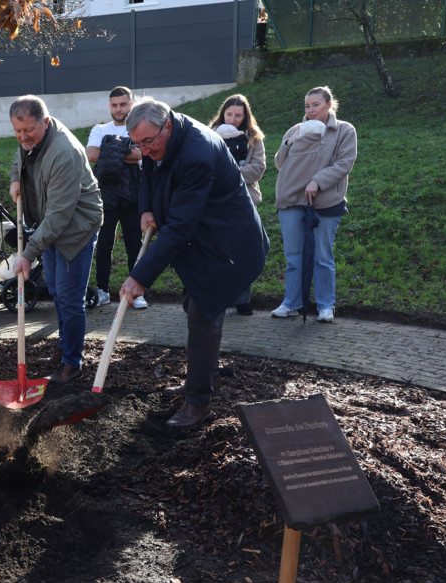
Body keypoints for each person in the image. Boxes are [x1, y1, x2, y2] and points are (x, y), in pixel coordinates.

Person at [120, 97, 269, 429]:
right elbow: (147, 173)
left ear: (168, 126)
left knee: (203, 314)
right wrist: (146, 207)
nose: (143, 150)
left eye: (148, 141)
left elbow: (180, 228)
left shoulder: (197, 154)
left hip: (227, 245)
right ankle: (205, 378)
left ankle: (198, 402)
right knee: (193, 304)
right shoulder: (160, 139)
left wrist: (139, 276)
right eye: (137, 143)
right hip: (202, 240)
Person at [9, 95, 103, 384]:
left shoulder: (64, 152)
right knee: (56, 289)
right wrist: (16, 177)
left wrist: (29, 252)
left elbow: (60, 215)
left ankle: (72, 363)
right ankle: (65, 343)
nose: (23, 137)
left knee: (70, 297)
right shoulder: (33, 138)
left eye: (28, 131)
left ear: (45, 122)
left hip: (75, 228)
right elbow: (21, 155)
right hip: (47, 224)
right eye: (17, 131)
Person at [270, 86, 357, 323]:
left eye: (315, 105)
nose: (310, 110)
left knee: (322, 256)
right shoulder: (295, 128)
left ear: (329, 105)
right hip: (291, 199)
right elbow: (279, 163)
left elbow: (344, 163)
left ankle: (325, 306)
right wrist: (290, 141)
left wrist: (317, 181)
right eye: (307, 106)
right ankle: (291, 304)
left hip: (326, 201)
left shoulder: (344, 131)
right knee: (293, 256)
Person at [86, 86, 146, 309]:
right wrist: (127, 153)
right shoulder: (100, 129)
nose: (119, 109)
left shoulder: (139, 128)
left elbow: (142, 155)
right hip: (106, 195)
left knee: (134, 244)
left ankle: (137, 293)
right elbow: (91, 155)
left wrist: (111, 153)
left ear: (131, 104)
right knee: (104, 244)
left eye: (123, 104)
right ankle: (102, 291)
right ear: (109, 106)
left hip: (133, 195)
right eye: (115, 105)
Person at [207, 94, 267, 316]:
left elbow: (258, 169)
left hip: (244, 202)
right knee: (214, 252)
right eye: (229, 114)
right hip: (213, 203)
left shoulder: (254, 138)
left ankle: (242, 300)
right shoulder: (208, 135)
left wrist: (229, 173)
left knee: (243, 251)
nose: (232, 119)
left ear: (245, 117)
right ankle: (214, 297)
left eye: (238, 116)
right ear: (223, 114)